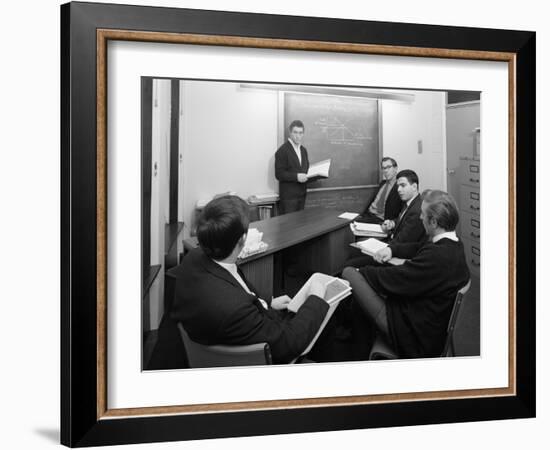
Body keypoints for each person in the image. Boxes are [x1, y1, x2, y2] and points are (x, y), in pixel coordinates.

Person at [171, 195, 329, 364]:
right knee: (324, 321)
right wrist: (316, 299)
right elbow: (288, 345)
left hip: (211, 339)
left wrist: (267, 303)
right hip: (252, 363)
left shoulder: (193, 258)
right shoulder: (234, 310)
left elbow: (237, 289)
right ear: (242, 240)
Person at [342, 190, 470, 359]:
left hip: (414, 335)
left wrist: (362, 272)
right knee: (364, 294)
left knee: (349, 273)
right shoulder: (453, 244)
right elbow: (418, 249)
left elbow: (396, 279)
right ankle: (359, 342)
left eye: (423, 215)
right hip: (429, 320)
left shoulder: (437, 256)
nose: (420, 218)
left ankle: (353, 344)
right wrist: (392, 248)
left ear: (433, 222)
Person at [346, 169, 426, 268]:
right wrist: (392, 223)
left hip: (397, 254)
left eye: (403, 185)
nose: (399, 190)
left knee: (351, 262)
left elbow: (404, 240)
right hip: (392, 245)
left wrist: (383, 248)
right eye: (398, 186)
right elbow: (403, 220)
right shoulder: (410, 203)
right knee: (354, 253)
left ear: (414, 187)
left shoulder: (417, 210)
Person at [275, 120, 310, 214]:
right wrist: (297, 177)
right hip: (289, 199)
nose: (298, 135)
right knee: (289, 227)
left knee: (300, 226)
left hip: (302, 196)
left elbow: (305, 169)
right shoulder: (282, 151)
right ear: (290, 133)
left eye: (300, 133)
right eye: (295, 132)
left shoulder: (303, 150)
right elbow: (279, 174)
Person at [356, 157, 401, 224]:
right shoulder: (382, 183)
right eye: (383, 168)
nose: (385, 171)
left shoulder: (400, 187)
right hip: (368, 215)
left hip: (381, 220)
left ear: (395, 168)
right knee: (349, 224)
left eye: (388, 167)